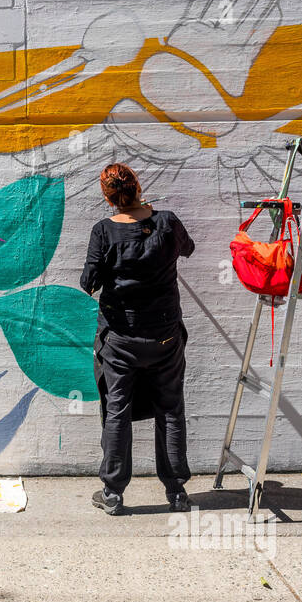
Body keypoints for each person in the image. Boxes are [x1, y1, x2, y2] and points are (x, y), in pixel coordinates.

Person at [80, 163, 195, 515]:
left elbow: (89, 283)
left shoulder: (103, 231)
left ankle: (113, 493)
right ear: (137, 186)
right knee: (171, 410)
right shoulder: (168, 221)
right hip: (164, 337)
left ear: (107, 197)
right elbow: (187, 249)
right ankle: (176, 492)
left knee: (118, 410)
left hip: (121, 340)